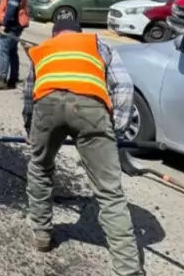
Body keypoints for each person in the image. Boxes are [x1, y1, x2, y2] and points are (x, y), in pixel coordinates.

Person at [22, 17, 143, 276]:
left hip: (48, 106)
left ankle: (42, 234)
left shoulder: (44, 48)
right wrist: (116, 128)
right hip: (91, 108)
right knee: (110, 192)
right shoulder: (97, 43)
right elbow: (123, 84)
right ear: (79, 32)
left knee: (40, 168)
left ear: (55, 34)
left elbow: (29, 92)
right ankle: (128, 269)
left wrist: (30, 129)